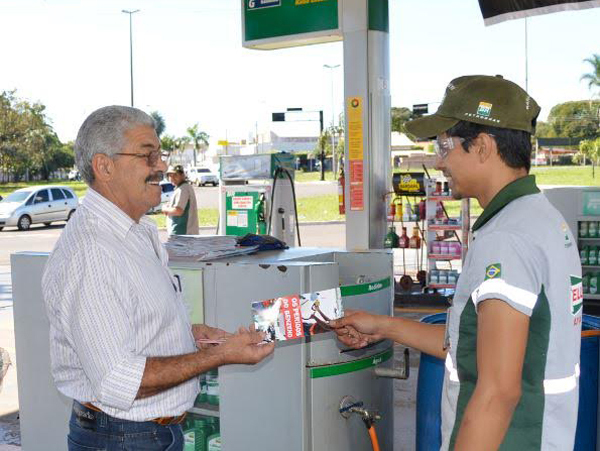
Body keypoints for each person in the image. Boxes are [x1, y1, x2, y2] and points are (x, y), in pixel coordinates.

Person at [331, 75, 582, 450]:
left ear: (481, 146)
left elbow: (497, 392)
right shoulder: (539, 217)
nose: (439, 161)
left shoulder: (506, 238)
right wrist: (383, 326)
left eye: (445, 145)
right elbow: (471, 346)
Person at [42, 106, 274, 451]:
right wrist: (220, 356)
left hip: (145, 434)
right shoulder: (92, 252)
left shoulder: (135, 231)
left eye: (160, 155)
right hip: (123, 438)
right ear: (104, 166)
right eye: (147, 155)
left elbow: (130, 324)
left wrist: (186, 334)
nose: (162, 166)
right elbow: (119, 381)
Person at [162, 165, 199, 235]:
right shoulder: (182, 188)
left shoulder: (183, 189)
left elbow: (178, 211)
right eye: (170, 175)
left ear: (182, 175)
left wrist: (165, 209)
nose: (172, 178)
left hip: (182, 233)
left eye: (175, 175)